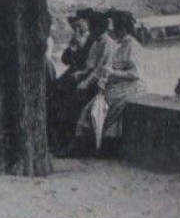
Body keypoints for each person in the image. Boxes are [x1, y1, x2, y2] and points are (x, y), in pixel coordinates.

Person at [75, 9, 142, 155]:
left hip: (131, 86)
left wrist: (112, 73)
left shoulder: (132, 46)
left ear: (122, 28)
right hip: (117, 84)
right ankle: (94, 144)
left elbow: (135, 74)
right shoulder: (120, 44)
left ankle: (97, 145)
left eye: (115, 27)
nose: (112, 29)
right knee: (94, 106)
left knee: (100, 106)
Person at [49, 10, 96, 154]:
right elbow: (65, 60)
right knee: (54, 95)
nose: (76, 30)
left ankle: (67, 144)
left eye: (78, 27)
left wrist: (79, 47)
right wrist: (72, 47)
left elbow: (89, 64)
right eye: (74, 27)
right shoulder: (76, 40)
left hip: (85, 78)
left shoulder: (92, 41)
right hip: (71, 77)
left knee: (69, 107)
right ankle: (55, 141)